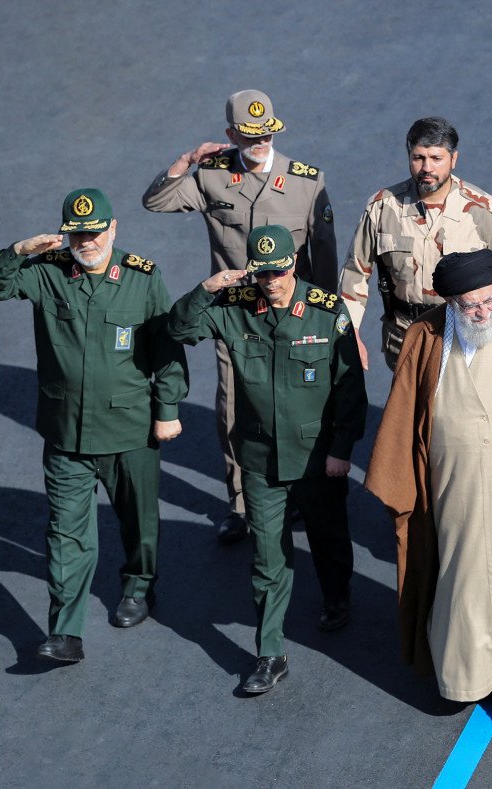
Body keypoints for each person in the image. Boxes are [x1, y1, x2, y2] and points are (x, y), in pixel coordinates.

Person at [0, 188, 187, 662]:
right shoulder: (47, 271)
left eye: (94, 233)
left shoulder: (142, 278)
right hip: (65, 431)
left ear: (113, 229)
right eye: (76, 235)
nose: (85, 242)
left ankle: (138, 586)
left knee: (138, 519)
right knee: (65, 532)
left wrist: (168, 410)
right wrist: (19, 250)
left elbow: (167, 348)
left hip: (129, 429)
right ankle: (65, 632)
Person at [365, 249, 492, 727]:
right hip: (451, 482)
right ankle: (464, 679)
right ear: (450, 302)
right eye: (471, 304)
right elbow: (403, 415)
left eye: (488, 299)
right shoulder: (424, 338)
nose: (482, 311)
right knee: (462, 575)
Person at [167, 224, 366, 694]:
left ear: (293, 264)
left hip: (317, 457)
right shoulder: (236, 307)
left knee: (328, 538)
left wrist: (341, 451)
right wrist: (207, 288)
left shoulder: (324, 311)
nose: (271, 281)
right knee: (267, 556)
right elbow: (179, 328)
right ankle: (270, 652)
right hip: (260, 458)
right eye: (262, 273)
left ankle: (337, 597)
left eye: (278, 271)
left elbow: (349, 387)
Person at [143, 89, 337, 546]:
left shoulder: (307, 182)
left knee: (302, 403)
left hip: (294, 313)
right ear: (231, 135)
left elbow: (324, 254)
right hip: (237, 315)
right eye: (250, 136)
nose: (261, 142)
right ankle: (242, 503)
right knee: (233, 407)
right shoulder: (211, 176)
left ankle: (301, 491)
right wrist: (186, 161)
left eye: (268, 133)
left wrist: (328, 315)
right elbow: (156, 202)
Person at [339, 116, 492, 371]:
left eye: (436, 158)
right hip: (405, 339)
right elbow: (354, 275)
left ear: (453, 159)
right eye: (418, 158)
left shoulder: (484, 211)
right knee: (409, 399)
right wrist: (348, 333)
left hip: (467, 339)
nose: (427, 168)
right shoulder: (382, 208)